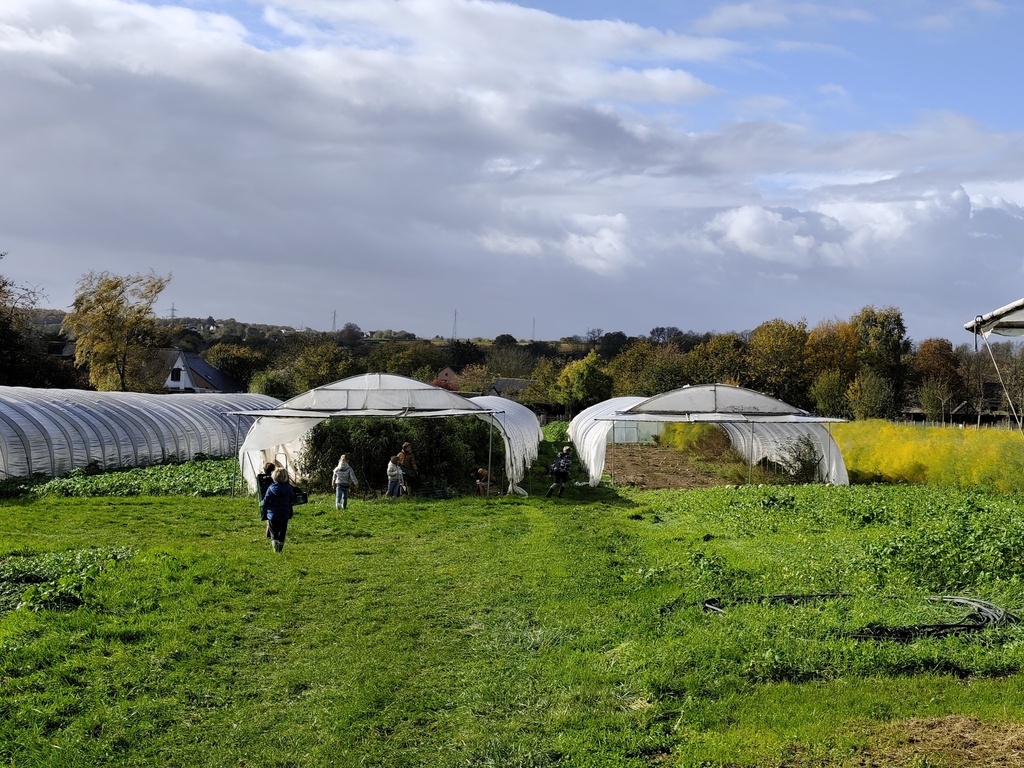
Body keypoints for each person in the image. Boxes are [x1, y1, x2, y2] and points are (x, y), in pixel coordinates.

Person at [262, 467, 295, 553]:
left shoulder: (270, 489)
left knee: (274, 532)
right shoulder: (289, 489)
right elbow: (292, 500)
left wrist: (262, 505)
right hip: (284, 514)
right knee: (282, 531)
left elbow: (266, 500)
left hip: (273, 515)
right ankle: (280, 548)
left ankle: (275, 548)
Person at [256, 462, 276, 537]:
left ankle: (268, 534)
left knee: (269, 520)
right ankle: (269, 535)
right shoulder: (275, 479)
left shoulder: (262, 479)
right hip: (274, 501)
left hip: (265, 501)